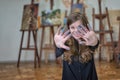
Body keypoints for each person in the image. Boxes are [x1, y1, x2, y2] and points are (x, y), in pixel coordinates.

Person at [54, 12, 99, 80]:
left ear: (85, 27)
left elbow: (95, 44)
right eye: (72, 27)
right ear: (68, 28)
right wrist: (58, 46)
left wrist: (95, 41)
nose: (76, 30)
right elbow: (57, 54)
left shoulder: (89, 40)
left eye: (79, 27)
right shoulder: (65, 42)